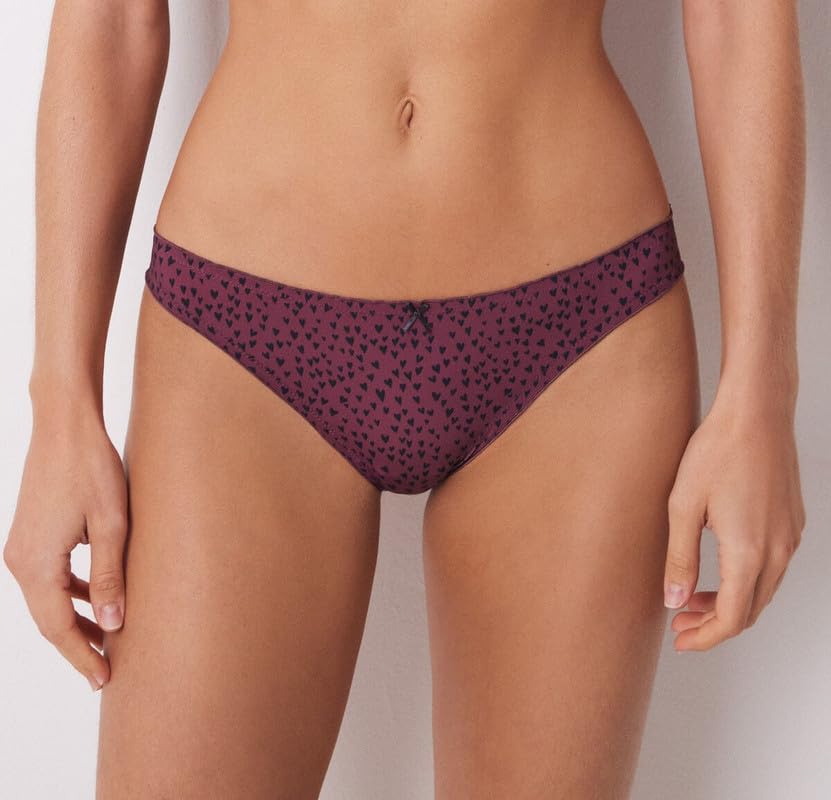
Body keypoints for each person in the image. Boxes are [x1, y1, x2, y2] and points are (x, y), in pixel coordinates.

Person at [4, 1, 807, 797]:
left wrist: (761, 392)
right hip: (243, 336)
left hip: (576, 332)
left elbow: (735, 14)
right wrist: (61, 404)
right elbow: (112, 18)